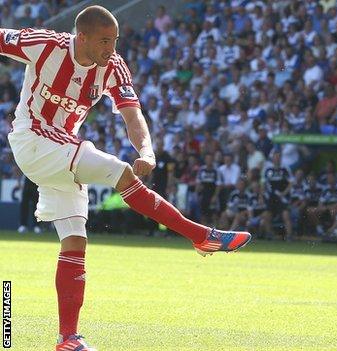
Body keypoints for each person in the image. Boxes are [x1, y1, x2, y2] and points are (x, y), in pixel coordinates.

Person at [3, 7, 251, 350]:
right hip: (32, 140)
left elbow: (133, 117)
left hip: (63, 153)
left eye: (115, 40)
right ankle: (200, 236)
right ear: (83, 36)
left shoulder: (113, 66)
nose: (111, 48)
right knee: (119, 172)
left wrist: (147, 152)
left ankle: (67, 338)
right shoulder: (46, 44)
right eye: (105, 40)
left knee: (75, 240)